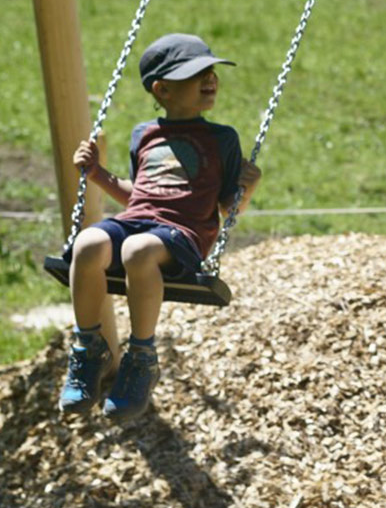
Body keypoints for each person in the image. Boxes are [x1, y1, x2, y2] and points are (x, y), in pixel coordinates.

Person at [58, 33, 261, 419]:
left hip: (182, 235)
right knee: (86, 243)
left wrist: (246, 190)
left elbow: (225, 207)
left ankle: (141, 356)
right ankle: (89, 349)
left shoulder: (222, 139)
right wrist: (97, 173)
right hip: (138, 222)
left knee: (137, 251)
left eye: (212, 72)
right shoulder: (144, 134)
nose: (210, 79)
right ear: (162, 89)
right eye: (197, 74)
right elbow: (140, 194)